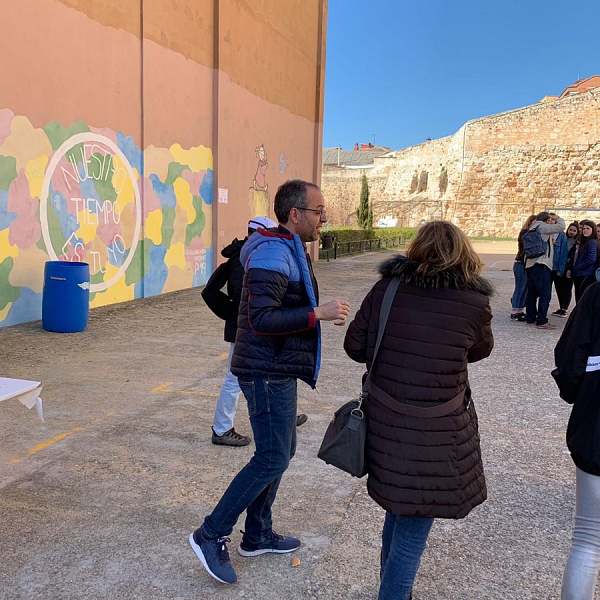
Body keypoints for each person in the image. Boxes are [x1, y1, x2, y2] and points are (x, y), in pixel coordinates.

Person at [189, 179, 351, 584]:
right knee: (272, 457)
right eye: (318, 210)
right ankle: (210, 533)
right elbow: (261, 320)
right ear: (294, 214)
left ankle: (257, 534)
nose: (324, 218)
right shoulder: (274, 252)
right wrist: (318, 312)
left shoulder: (288, 248)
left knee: (284, 448)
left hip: (278, 367)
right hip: (264, 370)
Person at [344, 221, 494, 600]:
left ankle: (392, 590)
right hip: (438, 432)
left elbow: (354, 345)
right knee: (411, 527)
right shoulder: (474, 301)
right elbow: (479, 350)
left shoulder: (388, 288)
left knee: (400, 510)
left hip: (387, 422)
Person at [201, 216, 277, 447]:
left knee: (269, 371)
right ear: (260, 233)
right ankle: (222, 429)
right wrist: (232, 315)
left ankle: (280, 415)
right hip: (245, 327)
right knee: (234, 379)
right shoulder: (244, 259)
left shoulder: (243, 255)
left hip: (251, 325)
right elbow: (219, 293)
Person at [554, 280, 600, 600]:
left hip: (597, 426)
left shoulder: (597, 295)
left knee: (587, 540)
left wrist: (575, 391)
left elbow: (571, 358)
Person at [525, 212, 565, 329]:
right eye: (550, 220)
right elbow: (561, 227)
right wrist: (558, 218)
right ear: (546, 220)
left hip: (531, 264)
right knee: (545, 294)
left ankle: (531, 317)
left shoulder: (533, 227)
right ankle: (542, 321)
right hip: (541, 264)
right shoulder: (542, 226)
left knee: (532, 293)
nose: (552, 222)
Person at [511, 215, 537, 321]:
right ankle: (514, 310)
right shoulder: (525, 233)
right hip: (521, 263)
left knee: (525, 289)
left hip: (527, 264)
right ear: (530, 222)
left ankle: (520, 309)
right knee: (519, 288)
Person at [551, 222, 579, 317]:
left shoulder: (576, 242)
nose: (571, 232)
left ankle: (564, 308)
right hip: (559, 267)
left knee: (567, 288)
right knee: (559, 288)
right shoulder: (563, 239)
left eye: (574, 231)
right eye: (570, 230)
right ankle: (561, 306)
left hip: (568, 268)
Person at [570, 220, 598, 303]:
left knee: (582, 298)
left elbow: (591, 259)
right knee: (579, 297)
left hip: (586, 274)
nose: (585, 230)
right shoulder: (584, 241)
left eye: (588, 228)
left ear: (593, 230)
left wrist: (578, 266)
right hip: (580, 273)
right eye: (584, 228)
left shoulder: (592, 242)